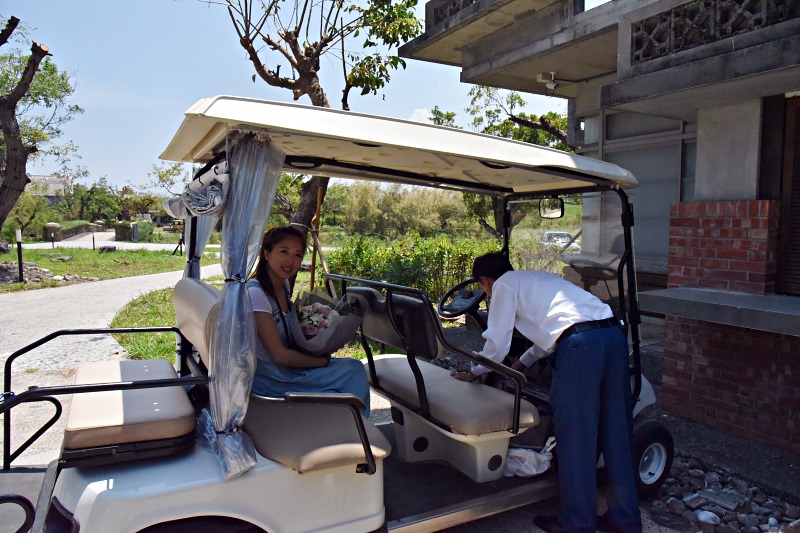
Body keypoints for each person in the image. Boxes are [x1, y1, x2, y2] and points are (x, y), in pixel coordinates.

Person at [451, 252, 641, 533]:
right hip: (612, 336)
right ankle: (625, 521)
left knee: (576, 436)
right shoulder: (538, 279)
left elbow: (497, 346)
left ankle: (577, 522)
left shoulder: (503, 285)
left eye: (483, 288)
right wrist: (522, 363)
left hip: (581, 349)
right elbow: (553, 333)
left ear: (485, 280)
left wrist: (474, 372)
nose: (486, 292)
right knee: (616, 432)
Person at [247, 226, 370, 416]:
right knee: (353, 372)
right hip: (272, 377)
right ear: (267, 254)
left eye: (298, 255)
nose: (291, 261)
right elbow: (279, 355)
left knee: (352, 367)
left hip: (287, 368)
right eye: (284, 251)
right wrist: (320, 362)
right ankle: (357, 430)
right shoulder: (256, 294)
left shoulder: (283, 285)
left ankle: (347, 424)